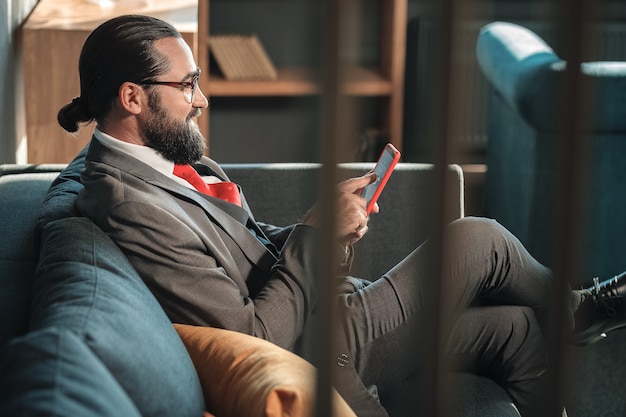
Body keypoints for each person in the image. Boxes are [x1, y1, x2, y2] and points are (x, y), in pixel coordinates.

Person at [57, 14, 626, 417]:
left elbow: (247, 244)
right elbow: (253, 334)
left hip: (317, 303)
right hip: (308, 339)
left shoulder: (171, 150)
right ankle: (580, 308)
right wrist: (315, 235)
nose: (201, 99)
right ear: (132, 97)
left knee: (520, 332)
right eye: (187, 85)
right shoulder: (125, 204)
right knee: (480, 240)